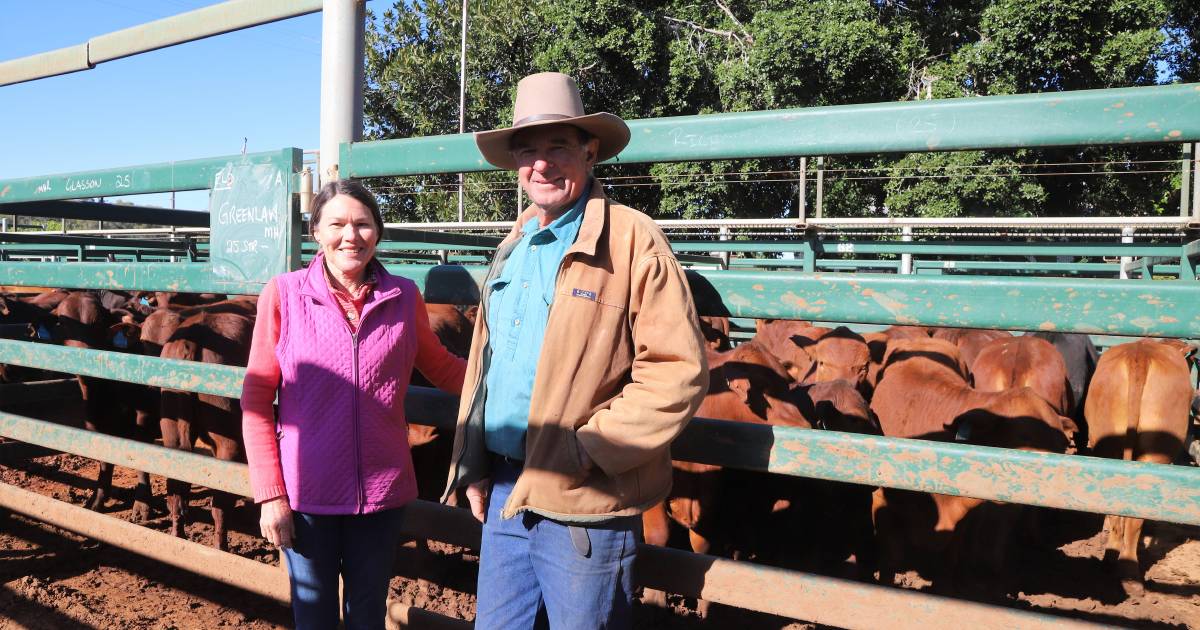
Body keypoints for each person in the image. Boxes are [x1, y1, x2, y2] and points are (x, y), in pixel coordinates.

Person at [443, 72, 709, 628]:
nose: (542, 164)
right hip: (503, 494)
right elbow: (488, 368)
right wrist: (471, 460)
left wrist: (588, 449)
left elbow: (676, 373)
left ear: (590, 153)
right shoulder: (512, 245)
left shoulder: (634, 240)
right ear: (516, 164)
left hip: (584, 505)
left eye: (558, 146)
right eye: (528, 150)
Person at [242, 180, 466, 630]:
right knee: (314, 616)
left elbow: (443, 369)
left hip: (382, 495)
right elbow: (256, 395)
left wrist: (517, 384)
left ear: (377, 234)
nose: (351, 235)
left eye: (363, 224)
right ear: (316, 233)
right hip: (307, 496)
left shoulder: (402, 296)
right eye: (337, 224)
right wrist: (270, 494)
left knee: (368, 615)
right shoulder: (284, 294)